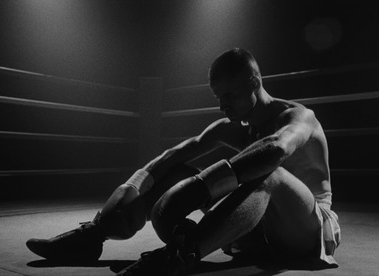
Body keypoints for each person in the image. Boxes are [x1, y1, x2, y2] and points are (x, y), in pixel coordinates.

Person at [26, 48, 340, 275]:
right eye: (218, 98)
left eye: (228, 96)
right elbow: (180, 152)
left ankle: (178, 256)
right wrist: (135, 185)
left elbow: (275, 149)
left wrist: (206, 186)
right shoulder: (234, 127)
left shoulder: (298, 117)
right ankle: (92, 236)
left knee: (270, 173)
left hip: (306, 229)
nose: (222, 106)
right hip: (257, 230)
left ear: (253, 82)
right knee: (176, 171)